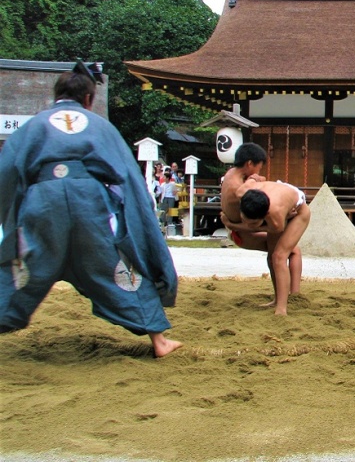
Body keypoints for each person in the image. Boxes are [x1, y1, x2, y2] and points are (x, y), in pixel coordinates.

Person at [0, 62, 180, 357]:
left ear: (55, 96)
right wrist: (137, 216)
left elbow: (8, 174)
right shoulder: (101, 127)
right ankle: (159, 341)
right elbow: (127, 177)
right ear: (88, 99)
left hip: (42, 202)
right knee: (118, 264)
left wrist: (14, 217)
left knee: (21, 266)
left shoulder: (33, 126)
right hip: (90, 203)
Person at [221, 179, 310, 315]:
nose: (248, 225)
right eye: (244, 219)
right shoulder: (242, 191)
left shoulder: (276, 215)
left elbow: (276, 228)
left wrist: (233, 226)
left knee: (279, 257)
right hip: (280, 195)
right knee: (271, 257)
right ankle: (277, 299)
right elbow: (254, 177)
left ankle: (281, 309)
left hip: (299, 212)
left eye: (254, 223)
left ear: (266, 216)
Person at [220, 142, 268, 251]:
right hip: (242, 234)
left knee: (278, 250)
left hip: (238, 229)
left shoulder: (231, 173)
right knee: (292, 249)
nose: (258, 172)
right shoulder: (239, 189)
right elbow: (253, 223)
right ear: (250, 163)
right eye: (259, 168)